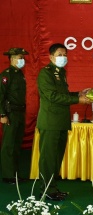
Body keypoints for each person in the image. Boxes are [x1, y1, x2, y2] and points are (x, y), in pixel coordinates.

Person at [36, 43, 91, 201]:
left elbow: (63, 94)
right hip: (50, 122)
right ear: (51, 57)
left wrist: (78, 93)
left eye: (65, 54)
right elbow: (52, 96)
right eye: (60, 55)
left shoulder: (61, 73)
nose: (63, 57)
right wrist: (78, 100)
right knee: (48, 159)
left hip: (60, 122)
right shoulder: (45, 74)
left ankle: (53, 188)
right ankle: (46, 190)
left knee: (56, 158)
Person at [0, 48, 29, 184]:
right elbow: (1, 95)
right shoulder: (6, 75)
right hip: (10, 113)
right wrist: (2, 114)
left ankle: (15, 174)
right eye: (19, 57)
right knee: (9, 145)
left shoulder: (20, 74)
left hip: (20, 112)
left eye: (23, 58)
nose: (22, 60)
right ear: (11, 59)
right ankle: (7, 175)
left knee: (17, 144)